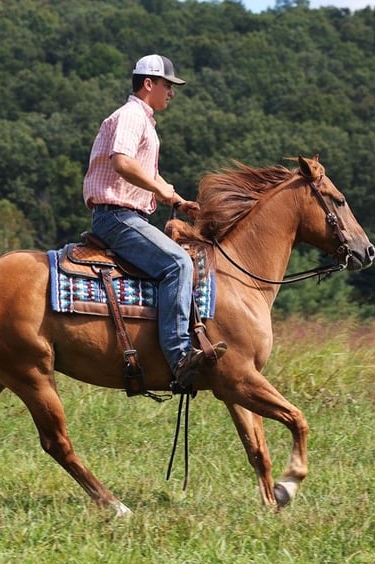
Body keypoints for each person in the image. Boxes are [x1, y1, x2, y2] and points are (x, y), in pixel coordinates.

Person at [82, 54, 227, 389]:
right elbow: (122, 163)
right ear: (149, 84)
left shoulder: (142, 120)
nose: (171, 93)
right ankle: (179, 356)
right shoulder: (132, 115)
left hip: (124, 214)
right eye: (167, 85)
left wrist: (174, 198)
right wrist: (160, 187)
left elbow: (144, 172)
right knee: (178, 263)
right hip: (117, 217)